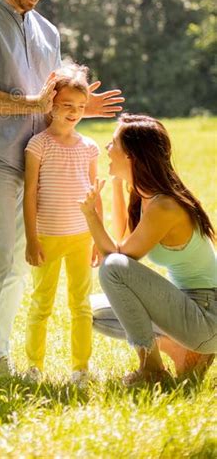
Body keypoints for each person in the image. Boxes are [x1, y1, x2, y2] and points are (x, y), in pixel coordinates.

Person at [0, 0, 124, 391]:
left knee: (16, 261)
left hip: (41, 162)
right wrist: (30, 103)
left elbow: (50, 104)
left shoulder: (48, 33)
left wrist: (78, 109)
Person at [79, 114, 216, 386]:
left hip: (207, 314)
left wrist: (91, 216)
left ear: (132, 155)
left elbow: (115, 257)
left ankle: (152, 369)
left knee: (112, 269)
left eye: (114, 143)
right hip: (189, 307)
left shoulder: (165, 206)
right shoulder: (147, 196)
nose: (107, 148)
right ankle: (181, 350)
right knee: (86, 311)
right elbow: (121, 240)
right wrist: (118, 184)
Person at [23, 63, 102, 387]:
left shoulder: (89, 148)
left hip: (81, 238)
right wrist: (31, 240)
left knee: (81, 305)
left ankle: (80, 369)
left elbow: (94, 197)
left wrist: (98, 238)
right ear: (51, 105)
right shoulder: (38, 145)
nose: (74, 112)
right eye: (67, 106)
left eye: (80, 107)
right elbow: (29, 195)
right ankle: (33, 368)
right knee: (42, 303)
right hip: (47, 237)